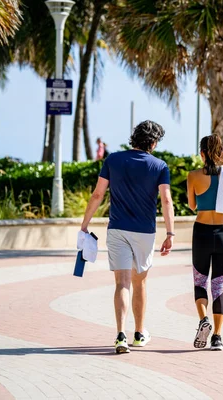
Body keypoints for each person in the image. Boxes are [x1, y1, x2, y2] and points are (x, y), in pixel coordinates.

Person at [80, 120, 175, 354]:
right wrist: (170, 233)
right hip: (144, 231)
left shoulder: (112, 160)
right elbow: (166, 200)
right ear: (153, 143)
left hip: (117, 229)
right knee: (139, 282)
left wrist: (85, 224)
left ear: (134, 138)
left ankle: (120, 335)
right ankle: (139, 333)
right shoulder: (159, 165)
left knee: (121, 283)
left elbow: (98, 194)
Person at [187, 135, 223, 351]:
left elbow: (192, 205)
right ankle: (217, 338)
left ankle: (203, 320)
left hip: (201, 232)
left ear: (202, 153)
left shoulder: (193, 176)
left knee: (200, 282)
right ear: (220, 153)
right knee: (218, 286)